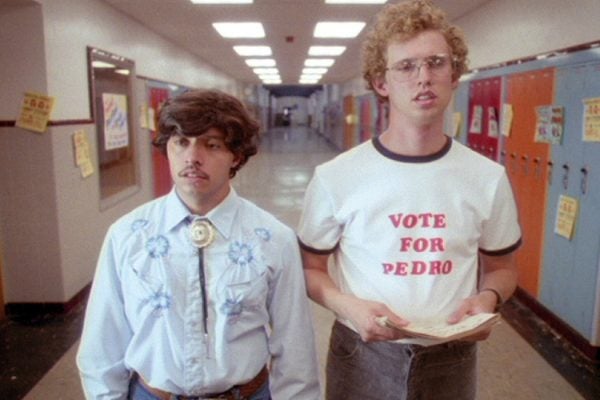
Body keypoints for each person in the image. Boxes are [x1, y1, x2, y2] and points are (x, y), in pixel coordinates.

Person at [297, 1, 522, 399]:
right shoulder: (337, 177)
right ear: (381, 83)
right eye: (406, 66)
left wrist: (488, 298)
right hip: (361, 355)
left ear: (455, 76)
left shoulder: (487, 178)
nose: (424, 78)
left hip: (450, 358)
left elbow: (502, 266)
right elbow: (311, 268)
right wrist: (347, 305)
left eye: (437, 63)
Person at [77, 89, 321, 400]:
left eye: (212, 145)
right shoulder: (127, 235)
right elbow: (102, 342)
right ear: (167, 148)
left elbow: (295, 345)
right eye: (181, 142)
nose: (192, 157)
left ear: (237, 155)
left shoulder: (273, 238)